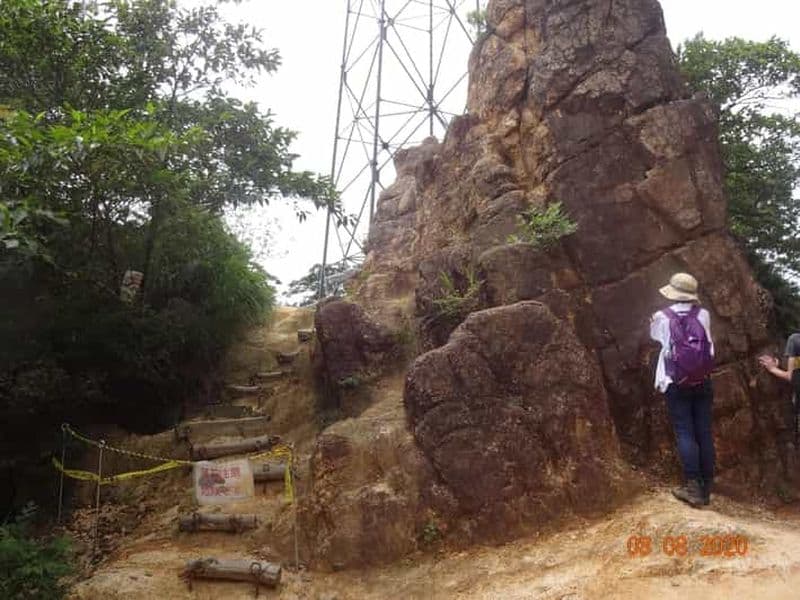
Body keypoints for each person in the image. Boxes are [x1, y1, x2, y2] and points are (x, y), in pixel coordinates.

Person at [650, 273, 716, 508]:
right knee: (704, 432)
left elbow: (655, 337)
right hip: (702, 381)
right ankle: (706, 488)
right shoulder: (703, 314)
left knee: (685, 432)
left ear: (673, 292)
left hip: (675, 381)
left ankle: (692, 487)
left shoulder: (661, 316)